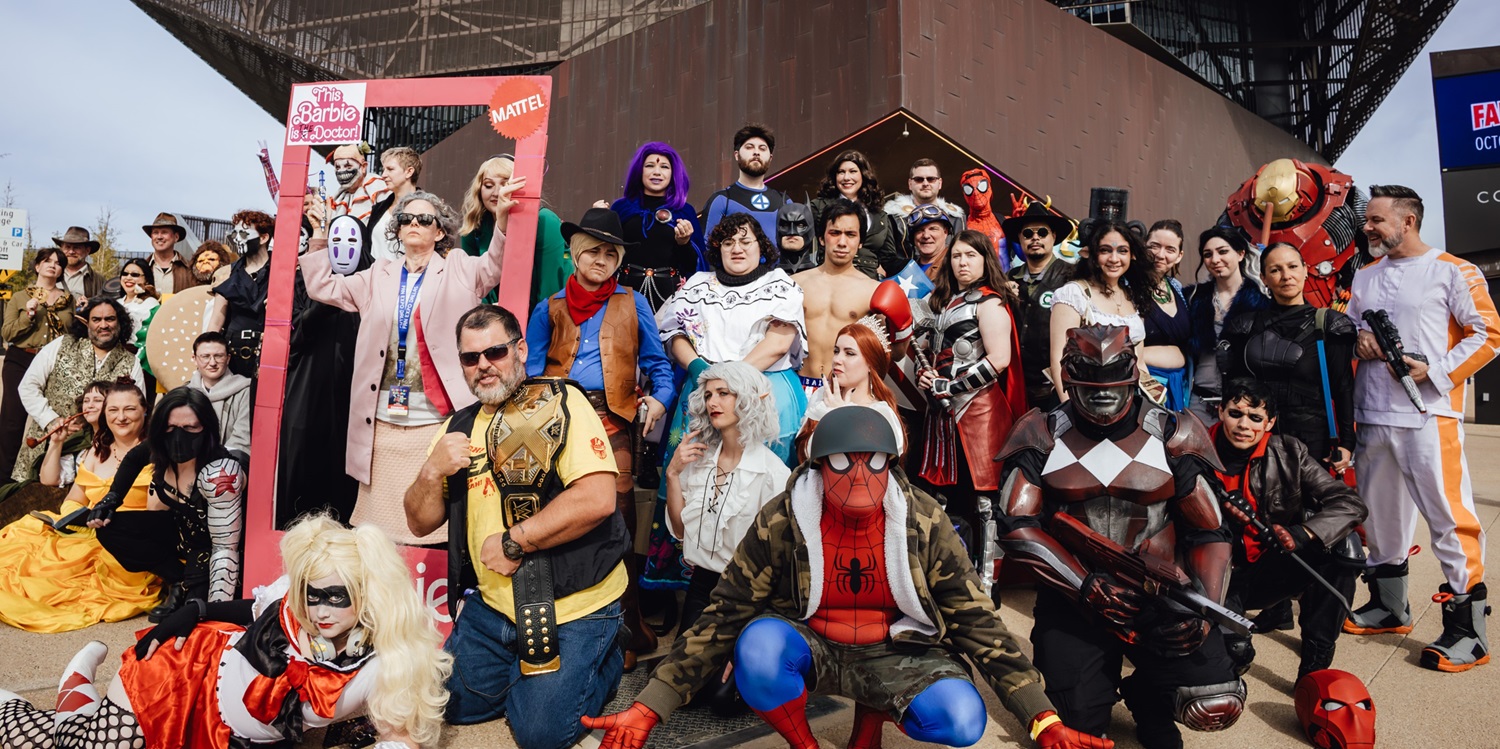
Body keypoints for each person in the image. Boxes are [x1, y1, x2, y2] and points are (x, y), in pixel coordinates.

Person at [583, 407, 1106, 749]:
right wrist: (649, 708)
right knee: (757, 651)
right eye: (840, 462)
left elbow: (976, 619)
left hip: (897, 648)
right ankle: (805, 746)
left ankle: (871, 719)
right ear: (815, 468)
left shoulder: (923, 522)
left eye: (875, 462)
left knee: (962, 722)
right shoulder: (784, 519)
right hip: (813, 640)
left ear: (893, 467)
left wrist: (1043, 718)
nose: (860, 476)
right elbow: (723, 614)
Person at [0, 513, 452, 748]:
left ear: (368, 593)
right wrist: (195, 610)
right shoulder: (288, 604)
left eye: (338, 597)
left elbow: (401, 739)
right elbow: (246, 608)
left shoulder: (391, 660)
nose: (321, 610)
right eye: (312, 595)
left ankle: (73, 701)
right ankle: (66, 689)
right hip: (181, 672)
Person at [997, 325, 1244, 748]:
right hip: (1075, 595)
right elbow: (1017, 526)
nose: (1102, 397)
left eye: (1112, 384)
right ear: (1070, 380)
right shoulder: (1040, 432)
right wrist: (1085, 586)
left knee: (1213, 700)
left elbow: (1210, 531)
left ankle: (1148, 700)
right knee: (1074, 728)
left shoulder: (1173, 433)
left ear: (1132, 375)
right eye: (1091, 387)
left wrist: (1206, 608)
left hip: (1159, 590)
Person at [404, 304, 628, 749]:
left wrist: (512, 543)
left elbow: (599, 499)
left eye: (495, 351)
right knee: (443, 706)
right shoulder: (459, 425)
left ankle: (606, 655)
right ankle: (528, 674)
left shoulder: (566, 401)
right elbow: (420, 519)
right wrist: (431, 471)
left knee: (541, 734)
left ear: (521, 349)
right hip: (492, 608)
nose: (484, 365)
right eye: (471, 358)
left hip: (572, 607)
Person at [1343, 185, 1500, 672]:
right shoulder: (1364, 275)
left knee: (1451, 521)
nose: (1366, 228)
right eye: (1366, 220)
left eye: (1375, 220)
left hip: (1430, 417)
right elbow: (1348, 333)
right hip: (1373, 415)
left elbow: (1489, 333)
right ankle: (1390, 606)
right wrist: (1359, 340)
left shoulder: (1454, 270)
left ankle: (1468, 630)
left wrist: (1431, 371)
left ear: (1407, 221)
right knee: (1380, 519)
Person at [305, 189, 515, 546]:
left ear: (439, 232)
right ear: (397, 230)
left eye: (424, 219)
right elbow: (322, 286)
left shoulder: (459, 266)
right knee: (377, 534)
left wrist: (504, 219)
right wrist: (319, 235)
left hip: (439, 421)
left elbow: (495, 266)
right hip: (381, 423)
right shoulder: (378, 275)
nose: (414, 224)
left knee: (436, 527)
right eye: (406, 219)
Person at [525, 207, 675, 670]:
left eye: (611, 252)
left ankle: (628, 628)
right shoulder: (547, 307)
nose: (601, 259)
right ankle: (572, 622)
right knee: (560, 515)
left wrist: (660, 400)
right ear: (574, 254)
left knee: (620, 521)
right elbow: (530, 370)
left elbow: (660, 367)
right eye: (592, 250)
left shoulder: (634, 302)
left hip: (614, 419)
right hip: (558, 421)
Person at [1209, 379, 1366, 679]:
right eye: (1235, 414)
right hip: (1209, 575)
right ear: (1220, 411)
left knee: (1344, 547)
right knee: (1232, 658)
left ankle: (1314, 667)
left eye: (1255, 418)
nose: (1244, 425)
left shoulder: (1289, 452)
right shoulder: (1191, 449)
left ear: (1269, 423)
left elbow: (1350, 503)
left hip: (1266, 568)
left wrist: (1302, 533)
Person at [0, 379, 157, 633]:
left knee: (53, 580)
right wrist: (73, 519)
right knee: (20, 537)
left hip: (130, 538)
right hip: (86, 530)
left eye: (129, 409)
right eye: (113, 410)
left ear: (145, 411)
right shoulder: (97, 451)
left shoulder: (157, 452)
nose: (121, 417)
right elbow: (74, 498)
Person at [656, 212, 808, 466]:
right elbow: (674, 333)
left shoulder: (779, 283)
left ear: (761, 246)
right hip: (704, 390)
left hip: (764, 391)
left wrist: (730, 381)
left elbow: (780, 340)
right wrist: (698, 368)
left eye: (745, 242)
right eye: (728, 243)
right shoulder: (697, 285)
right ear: (719, 250)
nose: (736, 249)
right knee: (694, 477)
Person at [915, 231, 1027, 566]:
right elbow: (925, 351)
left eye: (971, 255)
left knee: (984, 498)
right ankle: (945, 570)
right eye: (956, 256)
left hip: (979, 412)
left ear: (984, 259)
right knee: (942, 496)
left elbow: (999, 359)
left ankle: (987, 578)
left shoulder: (991, 302)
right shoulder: (941, 302)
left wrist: (948, 387)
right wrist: (925, 376)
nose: (962, 262)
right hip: (941, 415)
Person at [89, 386, 244, 625]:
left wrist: (215, 614)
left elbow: (225, 549)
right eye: (170, 428)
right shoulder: (160, 446)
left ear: (207, 428)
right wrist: (112, 499)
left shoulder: (220, 473)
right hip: (180, 530)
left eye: (191, 428)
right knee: (109, 527)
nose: (178, 437)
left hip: (213, 546)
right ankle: (177, 580)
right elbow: (133, 459)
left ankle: (189, 587)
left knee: (194, 615)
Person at [665, 361, 790, 632]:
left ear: (746, 397)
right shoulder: (698, 460)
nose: (713, 402)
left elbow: (778, 562)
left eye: (724, 393)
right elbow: (679, 531)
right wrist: (672, 475)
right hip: (699, 588)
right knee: (682, 669)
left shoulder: (772, 474)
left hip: (746, 595)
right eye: (708, 395)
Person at [1219, 243, 1356, 469]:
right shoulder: (1245, 326)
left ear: (1304, 269)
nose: (1286, 276)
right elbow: (1233, 387)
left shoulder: (1329, 324)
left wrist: (1347, 441)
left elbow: (1343, 387)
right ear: (1263, 277)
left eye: (1292, 267)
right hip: (1255, 435)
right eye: (1275, 270)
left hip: (1311, 440)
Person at [13, 298, 143, 483]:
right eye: (96, 319)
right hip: (47, 446)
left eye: (110, 319)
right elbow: (28, 386)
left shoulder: (131, 362)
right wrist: (50, 420)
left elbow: (136, 410)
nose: (103, 325)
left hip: (99, 457)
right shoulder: (62, 345)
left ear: (120, 323)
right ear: (86, 322)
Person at [793, 199, 913, 396]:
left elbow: (897, 354)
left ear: (860, 242)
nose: (842, 242)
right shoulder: (795, 284)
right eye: (835, 233)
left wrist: (902, 328)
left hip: (846, 391)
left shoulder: (873, 290)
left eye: (850, 234)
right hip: (797, 385)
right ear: (822, 238)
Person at [1048, 221, 1159, 406]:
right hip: (1083, 401)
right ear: (1090, 254)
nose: (1114, 259)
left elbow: (1139, 364)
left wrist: (1152, 406)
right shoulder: (1074, 294)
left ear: (1133, 256)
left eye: (1122, 251)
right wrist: (1069, 410)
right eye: (1105, 250)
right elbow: (1058, 361)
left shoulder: (1133, 297)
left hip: (1126, 406)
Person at [458, 154, 571, 307]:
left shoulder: (545, 221)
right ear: (479, 190)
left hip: (537, 316)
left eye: (505, 184)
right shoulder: (474, 227)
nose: (497, 193)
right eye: (489, 185)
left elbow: (549, 287)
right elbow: (473, 285)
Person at [1184, 227, 1270, 426]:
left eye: (1223, 251)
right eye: (1208, 254)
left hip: (1243, 404)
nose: (1215, 259)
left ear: (1241, 254)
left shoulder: (1262, 302)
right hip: (1198, 401)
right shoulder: (1193, 297)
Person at [0, 248, 74, 479]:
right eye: (47, 261)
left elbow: (73, 335)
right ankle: (4, 479)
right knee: (12, 420)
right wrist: (28, 315)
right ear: (37, 266)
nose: (53, 265)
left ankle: (39, 476)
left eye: (58, 262)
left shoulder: (68, 299)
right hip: (21, 359)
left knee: (50, 419)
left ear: (62, 270)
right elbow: (8, 333)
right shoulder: (20, 297)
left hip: (53, 362)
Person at [610, 142, 705, 310]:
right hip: (624, 294)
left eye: (664, 167)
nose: (657, 172)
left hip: (670, 297)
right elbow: (608, 253)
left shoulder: (684, 211)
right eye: (650, 165)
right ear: (640, 170)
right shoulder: (621, 208)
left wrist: (684, 243)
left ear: (673, 173)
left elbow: (694, 265)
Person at [795, 318, 906, 462]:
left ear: (871, 364)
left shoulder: (882, 414)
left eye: (850, 353)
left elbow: (867, 469)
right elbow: (806, 454)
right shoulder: (822, 395)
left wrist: (842, 417)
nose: (837, 359)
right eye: (836, 351)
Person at [1004, 201, 1075, 412]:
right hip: (1016, 385)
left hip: (1055, 386)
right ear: (1020, 239)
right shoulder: (1008, 278)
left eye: (1042, 232)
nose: (1035, 238)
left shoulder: (1072, 276)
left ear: (1053, 236)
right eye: (1028, 234)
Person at [208, 209, 275, 380]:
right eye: (235, 233)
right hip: (233, 355)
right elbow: (216, 320)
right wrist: (208, 353)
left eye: (244, 233)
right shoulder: (227, 273)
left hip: (270, 353)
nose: (237, 238)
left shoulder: (280, 270)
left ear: (263, 238)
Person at [810, 150, 898, 279]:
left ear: (864, 175)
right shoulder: (818, 207)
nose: (846, 177)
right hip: (830, 280)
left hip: (868, 286)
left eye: (853, 171)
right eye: (841, 172)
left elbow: (889, 259)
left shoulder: (880, 215)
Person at [699, 123, 790, 243]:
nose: (756, 152)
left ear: (770, 158)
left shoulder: (784, 202)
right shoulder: (721, 200)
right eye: (749, 147)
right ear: (736, 155)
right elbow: (706, 247)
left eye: (762, 148)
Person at [1142, 220, 1193, 410]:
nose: (1160, 255)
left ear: (1179, 256)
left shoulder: (1178, 289)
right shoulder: (1127, 286)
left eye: (1170, 249)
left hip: (1178, 388)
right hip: (1142, 388)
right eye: (1154, 246)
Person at [186, 332, 251, 464]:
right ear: (194, 358)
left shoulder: (244, 390)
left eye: (218, 356)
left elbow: (242, 439)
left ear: (228, 358)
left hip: (228, 466)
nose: (212, 363)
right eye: (205, 356)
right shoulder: (185, 392)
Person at [883, 158, 967, 251]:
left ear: (940, 183)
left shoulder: (957, 218)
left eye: (931, 179)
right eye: (919, 179)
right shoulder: (893, 218)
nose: (925, 183)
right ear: (910, 184)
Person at [370, 145, 423, 263]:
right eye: (383, 169)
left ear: (409, 172)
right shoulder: (378, 209)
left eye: (390, 169)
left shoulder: (427, 208)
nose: (383, 175)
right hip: (375, 278)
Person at [327, 141, 392, 222]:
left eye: (348, 166)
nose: (342, 171)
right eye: (337, 167)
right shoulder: (338, 197)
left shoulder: (377, 187)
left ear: (363, 167)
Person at [140, 212, 202, 294]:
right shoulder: (141, 269)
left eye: (164, 232)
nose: (159, 237)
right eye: (155, 232)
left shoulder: (190, 270)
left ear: (176, 237)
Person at [52, 226, 104, 300]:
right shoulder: (50, 273)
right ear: (61, 249)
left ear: (87, 250)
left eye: (76, 247)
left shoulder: (99, 282)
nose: (71, 252)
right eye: (67, 247)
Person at [775, 202, 818, 273]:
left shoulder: (820, 278)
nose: (792, 232)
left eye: (800, 225)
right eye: (785, 225)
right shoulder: (767, 279)